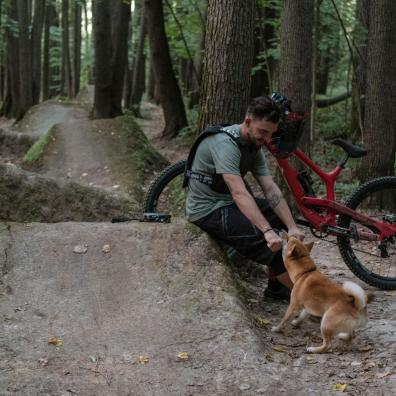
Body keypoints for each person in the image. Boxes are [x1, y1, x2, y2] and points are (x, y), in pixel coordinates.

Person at [185, 96, 304, 300]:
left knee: (281, 221)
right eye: (263, 132)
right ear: (248, 122)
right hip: (207, 210)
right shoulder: (225, 144)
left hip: (228, 203)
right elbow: (239, 192)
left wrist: (291, 226)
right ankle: (314, 302)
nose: (266, 139)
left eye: (271, 134)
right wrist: (266, 231)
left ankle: (277, 289)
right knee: (271, 245)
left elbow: (270, 187)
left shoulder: (252, 145)